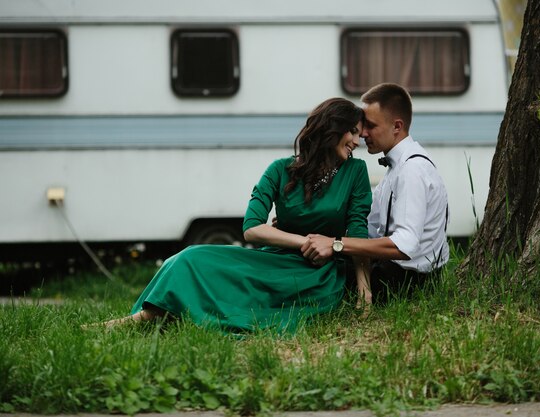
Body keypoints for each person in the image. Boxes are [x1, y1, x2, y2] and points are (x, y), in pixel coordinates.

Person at [95, 98, 372, 332]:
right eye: (353, 132)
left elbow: (357, 230)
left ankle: (135, 321)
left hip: (318, 275)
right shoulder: (280, 169)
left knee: (237, 295)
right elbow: (252, 228)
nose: (357, 141)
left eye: (360, 134)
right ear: (331, 129)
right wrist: (305, 242)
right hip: (274, 259)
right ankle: (151, 315)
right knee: (189, 257)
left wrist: (363, 286)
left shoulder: (356, 172)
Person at [302, 83, 449, 304]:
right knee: (312, 258)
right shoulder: (397, 168)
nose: (362, 134)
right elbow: (367, 228)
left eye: (370, 125)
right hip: (395, 273)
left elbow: (404, 245)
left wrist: (335, 244)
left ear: (397, 126)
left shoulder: (411, 170)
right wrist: (300, 225)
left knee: (314, 274)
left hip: (407, 282)